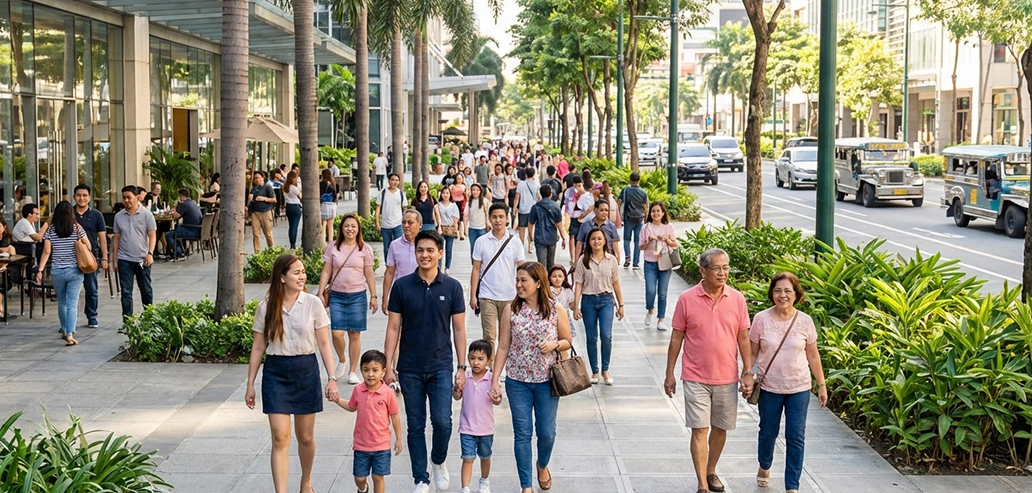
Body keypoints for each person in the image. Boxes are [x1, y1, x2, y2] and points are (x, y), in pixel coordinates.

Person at [245, 254, 338, 493]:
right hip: (276, 372)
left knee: (305, 437)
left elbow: (325, 344)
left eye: (303, 272)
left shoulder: (313, 303)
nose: (302, 276)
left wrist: (332, 378)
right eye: (296, 272)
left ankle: (306, 481)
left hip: (306, 370)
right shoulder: (266, 306)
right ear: (282, 277)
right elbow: (258, 347)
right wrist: (250, 384)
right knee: (280, 438)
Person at [663, 248, 754, 493]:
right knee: (700, 429)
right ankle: (702, 484)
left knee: (720, 428)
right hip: (695, 376)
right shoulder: (686, 299)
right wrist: (670, 373)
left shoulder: (737, 299)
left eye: (726, 267)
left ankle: (711, 470)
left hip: (727, 376)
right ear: (703, 271)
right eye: (717, 268)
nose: (723, 273)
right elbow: (676, 338)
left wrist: (748, 370)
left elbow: (743, 337)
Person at [383, 230, 467, 493]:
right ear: (415, 252)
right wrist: (388, 365)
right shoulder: (402, 286)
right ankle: (420, 477)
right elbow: (393, 327)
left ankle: (438, 461)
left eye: (430, 250)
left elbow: (460, 330)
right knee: (415, 424)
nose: (425, 255)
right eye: (420, 250)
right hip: (409, 367)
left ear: (440, 253)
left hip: (441, 364)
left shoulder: (452, 287)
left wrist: (462, 367)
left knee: (443, 421)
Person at [491, 262, 572, 493]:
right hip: (517, 381)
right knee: (522, 434)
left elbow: (568, 340)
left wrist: (554, 344)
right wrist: (495, 379)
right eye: (517, 280)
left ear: (538, 283)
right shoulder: (511, 310)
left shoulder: (556, 309)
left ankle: (542, 464)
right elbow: (503, 346)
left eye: (524, 280)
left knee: (547, 433)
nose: (519, 284)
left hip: (547, 381)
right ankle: (526, 485)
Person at [747, 272, 827, 493]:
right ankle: (764, 464)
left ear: (796, 294)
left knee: (795, 435)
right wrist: (746, 373)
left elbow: (813, 355)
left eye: (787, 291)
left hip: (799, 388)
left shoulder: (805, 321)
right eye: (778, 290)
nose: (782, 295)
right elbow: (751, 353)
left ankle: (792, 485)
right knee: (767, 432)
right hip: (770, 387)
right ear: (772, 294)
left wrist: (821, 384)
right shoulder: (761, 319)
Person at [333, 349, 403, 493]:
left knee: (378, 477)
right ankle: (363, 489)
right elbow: (352, 407)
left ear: (383, 372)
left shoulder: (388, 393)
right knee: (359, 478)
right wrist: (337, 400)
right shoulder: (358, 390)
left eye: (375, 370)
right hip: (361, 445)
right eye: (366, 370)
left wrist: (399, 439)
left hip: (381, 445)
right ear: (361, 370)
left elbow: (395, 415)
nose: (370, 374)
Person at [318, 213, 377, 384]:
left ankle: (352, 370)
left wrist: (373, 296)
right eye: (346, 226)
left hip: (358, 295)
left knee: (354, 334)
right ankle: (342, 359)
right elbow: (327, 270)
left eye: (353, 226)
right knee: (337, 332)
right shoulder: (333, 247)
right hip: (336, 294)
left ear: (358, 229)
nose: (349, 229)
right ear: (341, 229)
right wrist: (321, 292)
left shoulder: (364, 249)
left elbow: (369, 274)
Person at [573, 228, 625, 385]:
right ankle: (595, 371)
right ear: (589, 242)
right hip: (588, 301)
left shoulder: (611, 260)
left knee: (606, 335)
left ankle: (605, 369)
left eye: (599, 239)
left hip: (606, 300)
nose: (596, 241)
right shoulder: (583, 260)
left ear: (604, 241)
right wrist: (576, 306)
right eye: (593, 239)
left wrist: (620, 305)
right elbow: (579, 284)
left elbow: (616, 282)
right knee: (591, 337)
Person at [470, 203, 525, 350]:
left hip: (510, 296)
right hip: (487, 295)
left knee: (508, 336)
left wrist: (524, 294)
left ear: (507, 218)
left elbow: (522, 270)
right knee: (489, 337)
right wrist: (472, 296)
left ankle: (506, 369)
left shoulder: (515, 242)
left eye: (501, 217)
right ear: (489, 219)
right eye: (494, 217)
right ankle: (490, 369)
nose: (498, 220)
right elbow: (476, 270)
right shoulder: (481, 241)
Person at [453, 340, 501, 493]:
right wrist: (456, 389)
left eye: (480, 359)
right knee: (467, 458)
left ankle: (484, 481)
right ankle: (465, 488)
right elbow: (456, 397)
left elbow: (498, 399)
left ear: (489, 361)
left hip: (486, 429)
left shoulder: (492, 379)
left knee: (485, 457)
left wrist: (497, 399)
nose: (476, 362)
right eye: (472, 358)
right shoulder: (465, 376)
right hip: (467, 428)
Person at [37, 201, 87, 345]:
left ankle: (64, 330)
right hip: (74, 271)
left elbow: (47, 251)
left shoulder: (51, 230)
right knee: (72, 302)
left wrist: (40, 269)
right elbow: (88, 245)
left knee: (62, 302)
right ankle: (70, 333)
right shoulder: (77, 228)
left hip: (57, 270)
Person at [112, 185, 157, 320]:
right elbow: (116, 238)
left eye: (129, 197)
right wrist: (114, 260)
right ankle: (128, 320)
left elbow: (152, 235)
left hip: (143, 258)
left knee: (146, 290)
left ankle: (150, 318)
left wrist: (150, 253)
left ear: (137, 198)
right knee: (126, 292)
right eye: (124, 198)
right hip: (124, 259)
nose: (126, 200)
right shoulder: (119, 216)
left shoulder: (147, 215)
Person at [640, 202, 677, 331]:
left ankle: (661, 319)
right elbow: (641, 247)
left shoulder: (668, 227)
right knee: (650, 290)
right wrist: (649, 240)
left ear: (663, 213)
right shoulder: (645, 227)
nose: (655, 213)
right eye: (653, 211)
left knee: (662, 293)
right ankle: (650, 309)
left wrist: (666, 240)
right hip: (650, 262)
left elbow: (674, 244)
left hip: (664, 262)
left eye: (658, 211)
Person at [382, 210, 421, 317]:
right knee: (399, 329)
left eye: (410, 222)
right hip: (401, 294)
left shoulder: (426, 245)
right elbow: (389, 272)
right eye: (404, 222)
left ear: (420, 225)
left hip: (422, 293)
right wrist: (385, 298)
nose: (406, 225)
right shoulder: (395, 245)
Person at [528, 185, 566, 271]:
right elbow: (560, 225)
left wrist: (531, 238)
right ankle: (549, 282)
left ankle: (542, 282)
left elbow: (530, 225)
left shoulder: (535, 207)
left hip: (539, 238)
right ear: (551, 194)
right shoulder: (556, 207)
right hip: (552, 238)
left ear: (541, 194)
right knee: (551, 263)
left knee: (541, 264)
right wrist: (563, 238)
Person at [617, 172, 649, 268]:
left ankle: (627, 257)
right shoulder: (643, 192)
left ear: (630, 180)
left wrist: (619, 214)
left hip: (628, 218)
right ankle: (636, 262)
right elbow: (646, 207)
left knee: (627, 239)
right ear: (639, 181)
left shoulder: (626, 190)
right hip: (640, 219)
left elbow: (619, 202)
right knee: (637, 241)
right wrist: (647, 220)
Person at [163, 188, 203, 260]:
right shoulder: (193, 202)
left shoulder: (185, 204)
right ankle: (179, 250)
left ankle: (179, 253)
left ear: (181, 196)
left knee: (169, 234)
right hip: (198, 229)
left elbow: (176, 216)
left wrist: (175, 207)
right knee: (175, 231)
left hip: (191, 230)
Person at [376, 173, 406, 256]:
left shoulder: (401, 194)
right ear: (389, 181)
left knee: (399, 247)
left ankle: (398, 265)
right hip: (385, 225)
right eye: (392, 180)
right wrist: (377, 222)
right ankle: (388, 266)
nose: (394, 182)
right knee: (387, 248)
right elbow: (378, 208)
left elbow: (404, 209)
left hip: (398, 224)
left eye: (396, 180)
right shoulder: (383, 193)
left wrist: (405, 223)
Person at [248, 171, 276, 253]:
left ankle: (271, 251)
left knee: (268, 234)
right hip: (255, 212)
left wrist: (264, 199)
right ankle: (257, 253)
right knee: (256, 234)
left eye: (258, 178)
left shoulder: (268, 187)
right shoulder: (254, 188)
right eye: (255, 178)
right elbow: (250, 200)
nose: (256, 180)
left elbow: (274, 200)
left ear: (262, 178)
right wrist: (249, 200)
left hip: (265, 212)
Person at [513, 167, 538, 253]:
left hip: (522, 209)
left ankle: (521, 246)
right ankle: (530, 246)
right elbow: (538, 197)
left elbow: (517, 197)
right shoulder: (537, 184)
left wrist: (514, 208)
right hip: (533, 208)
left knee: (522, 228)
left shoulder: (521, 184)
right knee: (531, 228)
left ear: (526, 174)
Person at [435, 187, 460, 274]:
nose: (445, 195)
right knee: (440, 248)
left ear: (450, 194)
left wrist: (455, 228)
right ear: (441, 194)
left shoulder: (453, 205)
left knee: (449, 248)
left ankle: (447, 267)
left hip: (450, 228)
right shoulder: (438, 205)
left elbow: (456, 217)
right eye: (444, 193)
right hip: (441, 228)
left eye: (447, 193)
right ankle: (438, 266)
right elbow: (436, 216)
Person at [464, 184, 491, 256]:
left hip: (482, 228)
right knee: (473, 247)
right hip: (472, 228)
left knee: (482, 248)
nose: (475, 192)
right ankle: (474, 264)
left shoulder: (485, 201)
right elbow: (466, 216)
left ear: (480, 191)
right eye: (473, 190)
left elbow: (488, 214)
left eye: (477, 190)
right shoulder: (469, 202)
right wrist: (465, 228)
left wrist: (488, 224)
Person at [563, 175, 584, 263]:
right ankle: (572, 257)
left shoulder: (584, 191)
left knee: (581, 238)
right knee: (572, 236)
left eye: (579, 185)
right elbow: (566, 203)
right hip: (572, 216)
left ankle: (581, 255)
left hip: (583, 217)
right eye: (576, 185)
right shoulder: (569, 191)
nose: (577, 187)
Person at [283, 170, 302, 249]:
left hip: (288, 206)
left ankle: (292, 242)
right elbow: (300, 196)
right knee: (295, 226)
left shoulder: (285, 187)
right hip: (295, 206)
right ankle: (293, 244)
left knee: (291, 226)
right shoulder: (294, 188)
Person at [319, 169, 338, 243]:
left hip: (324, 205)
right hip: (332, 205)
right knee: (331, 226)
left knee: (323, 224)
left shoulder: (321, 184)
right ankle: (331, 242)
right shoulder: (333, 183)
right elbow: (335, 196)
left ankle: (323, 241)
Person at [451, 174, 468, 241]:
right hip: (454, 203)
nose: (459, 180)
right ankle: (455, 232)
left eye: (460, 178)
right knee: (454, 219)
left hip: (461, 203)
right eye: (458, 178)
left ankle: (461, 234)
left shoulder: (464, 186)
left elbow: (467, 195)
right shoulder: (452, 186)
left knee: (461, 220)